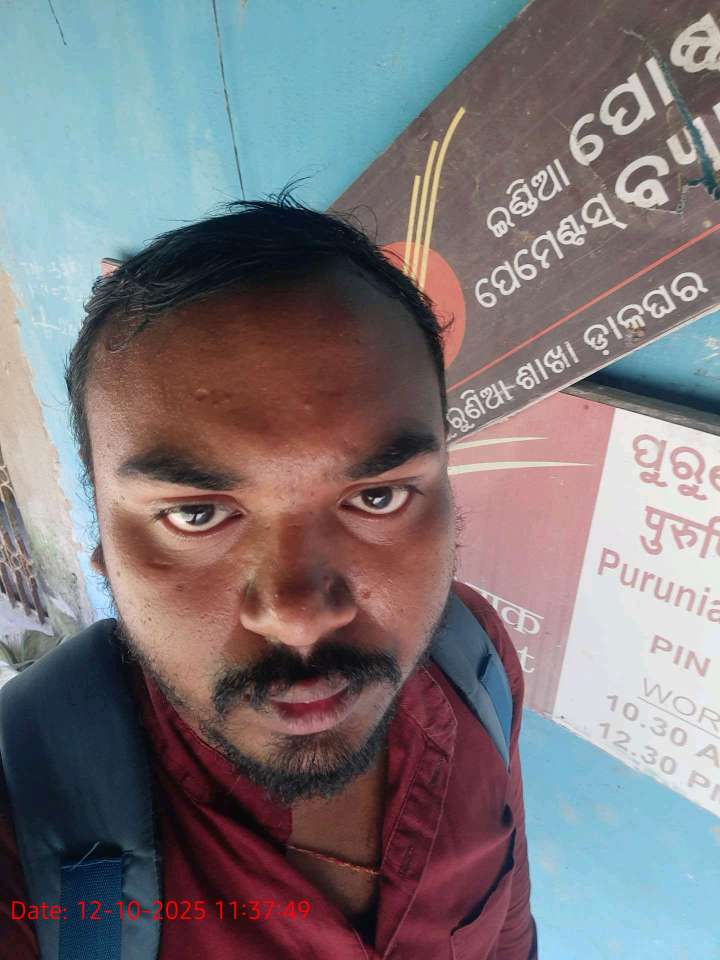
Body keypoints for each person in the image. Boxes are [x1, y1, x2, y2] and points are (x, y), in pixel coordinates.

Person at [0, 190, 538, 958]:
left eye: (378, 497)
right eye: (196, 514)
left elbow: (511, 928)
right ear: (105, 552)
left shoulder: (475, 663)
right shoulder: (24, 818)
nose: (299, 616)